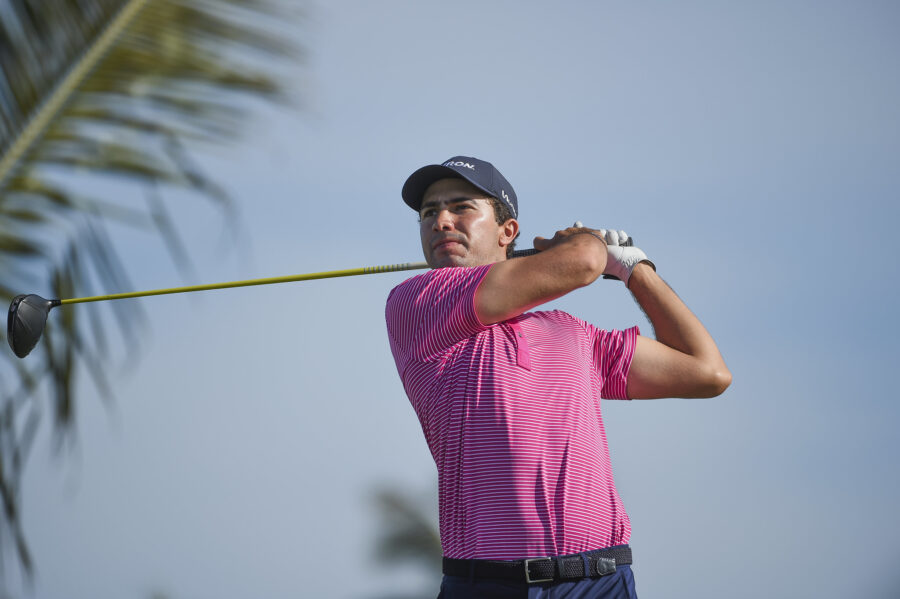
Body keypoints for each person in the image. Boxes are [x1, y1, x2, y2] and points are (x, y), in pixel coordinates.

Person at [385, 156, 731, 598]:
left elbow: (707, 371)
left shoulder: (572, 334)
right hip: (489, 584)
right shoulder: (417, 303)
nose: (441, 221)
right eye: (429, 212)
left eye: (461, 207)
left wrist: (634, 268)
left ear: (507, 232)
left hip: (601, 581)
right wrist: (586, 244)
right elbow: (585, 261)